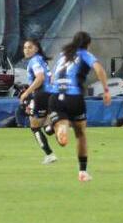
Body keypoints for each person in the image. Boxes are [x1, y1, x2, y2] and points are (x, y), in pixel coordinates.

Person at [46, 31, 112, 182]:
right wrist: (106, 90)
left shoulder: (63, 55)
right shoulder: (85, 55)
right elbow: (99, 69)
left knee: (61, 123)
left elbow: (52, 76)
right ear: (88, 44)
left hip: (55, 96)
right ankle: (82, 172)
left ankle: (59, 127)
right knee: (80, 134)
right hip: (74, 97)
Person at [17, 38, 58, 164]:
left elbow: (40, 78)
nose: (27, 50)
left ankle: (50, 155)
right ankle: (53, 125)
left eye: (30, 47)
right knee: (46, 127)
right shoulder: (41, 59)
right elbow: (49, 77)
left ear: (36, 49)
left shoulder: (34, 61)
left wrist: (26, 93)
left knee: (34, 126)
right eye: (25, 48)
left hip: (41, 95)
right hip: (50, 94)